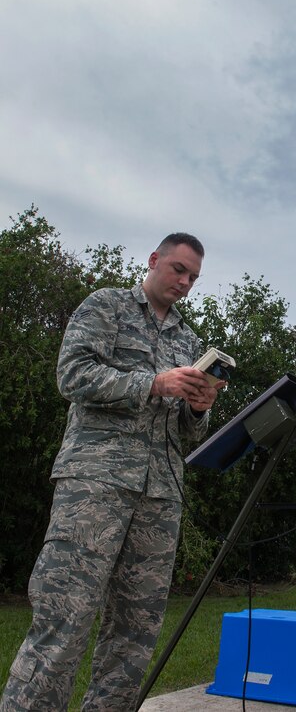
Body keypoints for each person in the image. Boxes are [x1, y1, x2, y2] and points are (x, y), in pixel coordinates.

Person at [1, 232, 224, 711]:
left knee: (135, 634)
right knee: (65, 618)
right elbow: (72, 374)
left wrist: (200, 408)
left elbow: (185, 430)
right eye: (178, 269)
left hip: (160, 496)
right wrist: (154, 383)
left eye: (193, 277)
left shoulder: (188, 339)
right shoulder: (108, 306)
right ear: (154, 260)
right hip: (95, 485)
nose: (185, 282)